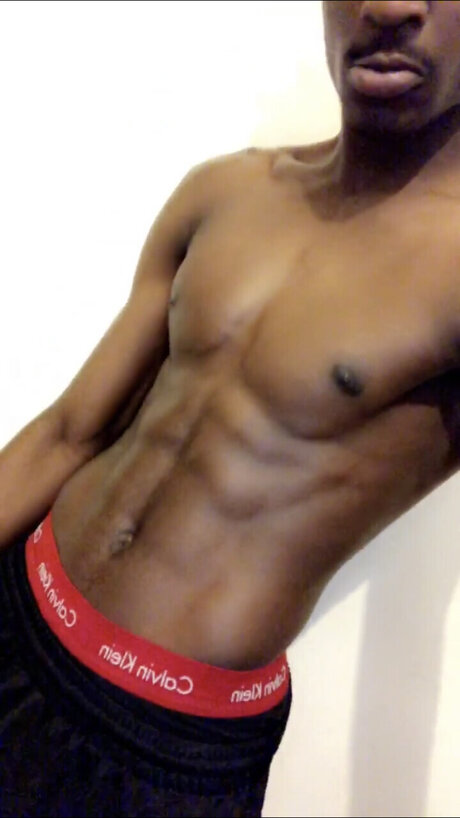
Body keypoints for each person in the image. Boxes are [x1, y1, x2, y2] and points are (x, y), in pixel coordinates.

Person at [2, 0, 460, 814]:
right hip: (18, 603)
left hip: (159, 747)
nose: (390, 7)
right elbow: (67, 433)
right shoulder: (226, 189)